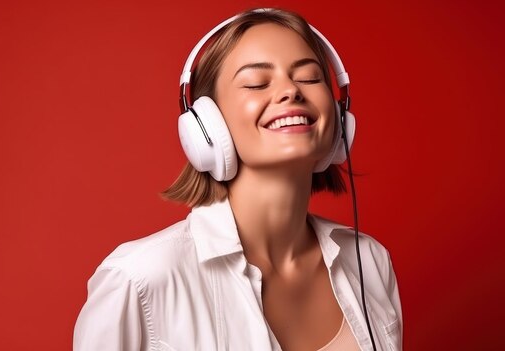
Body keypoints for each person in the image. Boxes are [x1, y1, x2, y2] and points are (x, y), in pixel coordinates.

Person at [74, 8, 402, 351]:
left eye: (308, 77)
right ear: (205, 126)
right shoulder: (139, 279)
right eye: (256, 83)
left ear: (338, 117)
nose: (290, 90)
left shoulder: (369, 261)